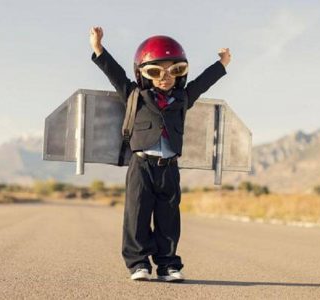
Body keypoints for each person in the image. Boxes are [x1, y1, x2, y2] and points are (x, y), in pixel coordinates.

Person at [89, 26, 231, 282]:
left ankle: (168, 265)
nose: (165, 77)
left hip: (169, 166)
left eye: (174, 70)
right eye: (156, 71)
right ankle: (138, 263)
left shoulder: (183, 98)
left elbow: (202, 83)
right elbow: (115, 74)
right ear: (143, 73)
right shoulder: (135, 95)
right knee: (137, 214)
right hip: (141, 164)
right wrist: (98, 49)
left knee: (169, 217)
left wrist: (221, 64)